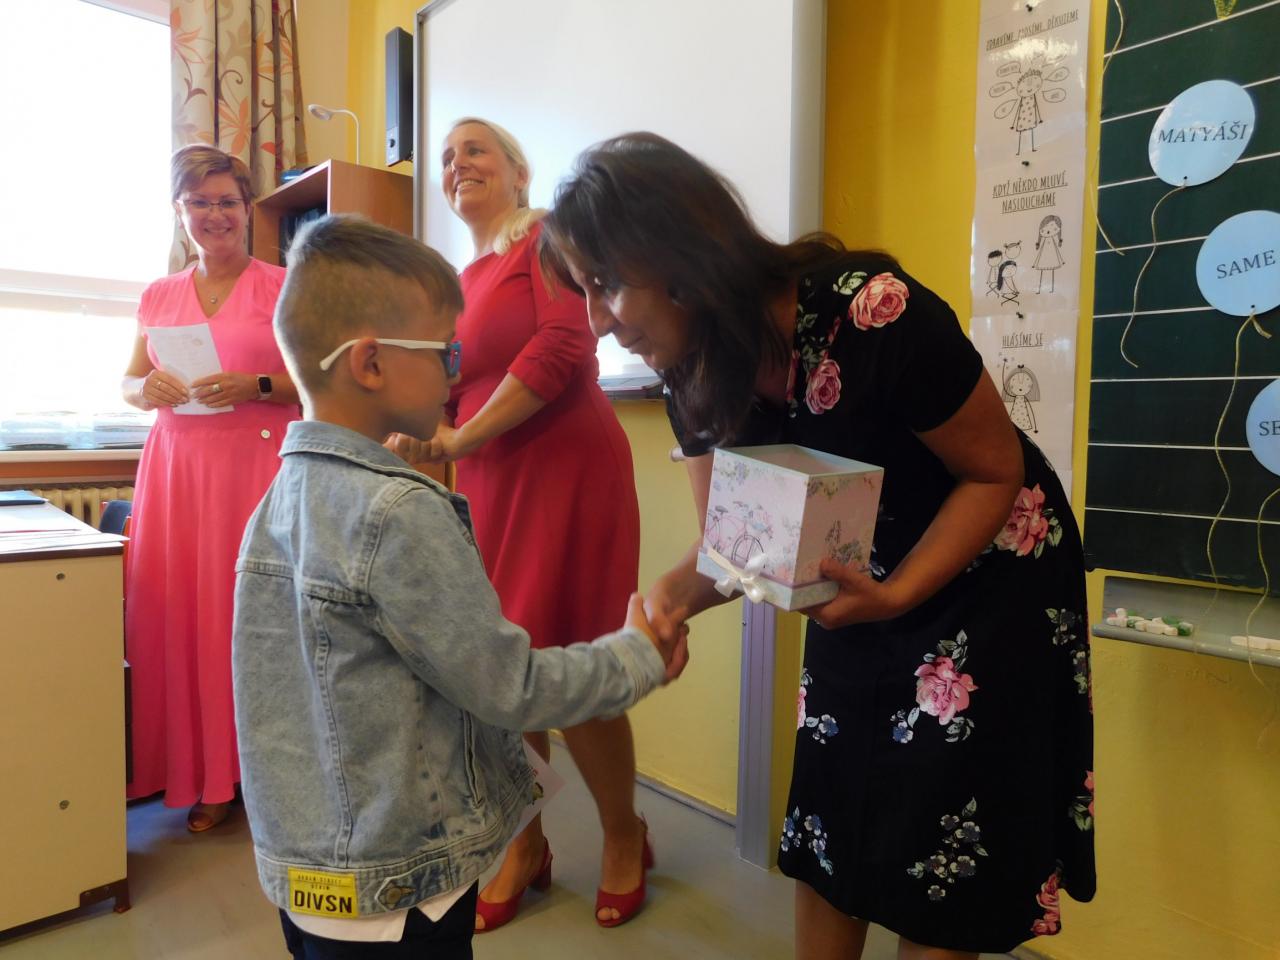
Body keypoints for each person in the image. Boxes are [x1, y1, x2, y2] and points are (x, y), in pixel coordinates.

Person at [539, 133, 1095, 959]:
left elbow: (994, 472)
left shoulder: (876, 314)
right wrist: (663, 604)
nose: (596, 322)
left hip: (987, 577)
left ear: (678, 258)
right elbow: (737, 544)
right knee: (836, 817)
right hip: (857, 590)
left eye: (605, 284)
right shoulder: (693, 369)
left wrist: (897, 594)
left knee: (945, 856)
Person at [232, 214, 685, 960]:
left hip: (306, 879)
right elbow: (510, 685)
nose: (455, 374)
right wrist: (637, 656)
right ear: (370, 364)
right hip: (405, 889)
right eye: (446, 352)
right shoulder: (398, 512)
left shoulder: (273, 506)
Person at [386, 117, 650, 930]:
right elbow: (447, 388)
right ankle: (524, 841)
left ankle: (623, 833)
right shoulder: (455, 283)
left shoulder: (544, 240)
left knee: (576, 662)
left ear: (517, 171)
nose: (456, 163)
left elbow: (565, 343)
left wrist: (462, 436)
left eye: (475, 149)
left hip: (565, 469)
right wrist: (425, 431)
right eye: (447, 157)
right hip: (490, 479)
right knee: (502, 670)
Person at [121, 143, 300, 832]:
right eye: (200, 202)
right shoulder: (157, 295)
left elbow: (320, 379)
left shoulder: (282, 286)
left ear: (247, 209)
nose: (215, 214)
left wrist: (256, 383)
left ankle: (256, 773)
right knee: (178, 613)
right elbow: (128, 379)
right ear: (180, 210)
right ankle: (197, 772)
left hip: (253, 468)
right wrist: (145, 389)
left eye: (228, 201)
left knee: (247, 617)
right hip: (176, 469)